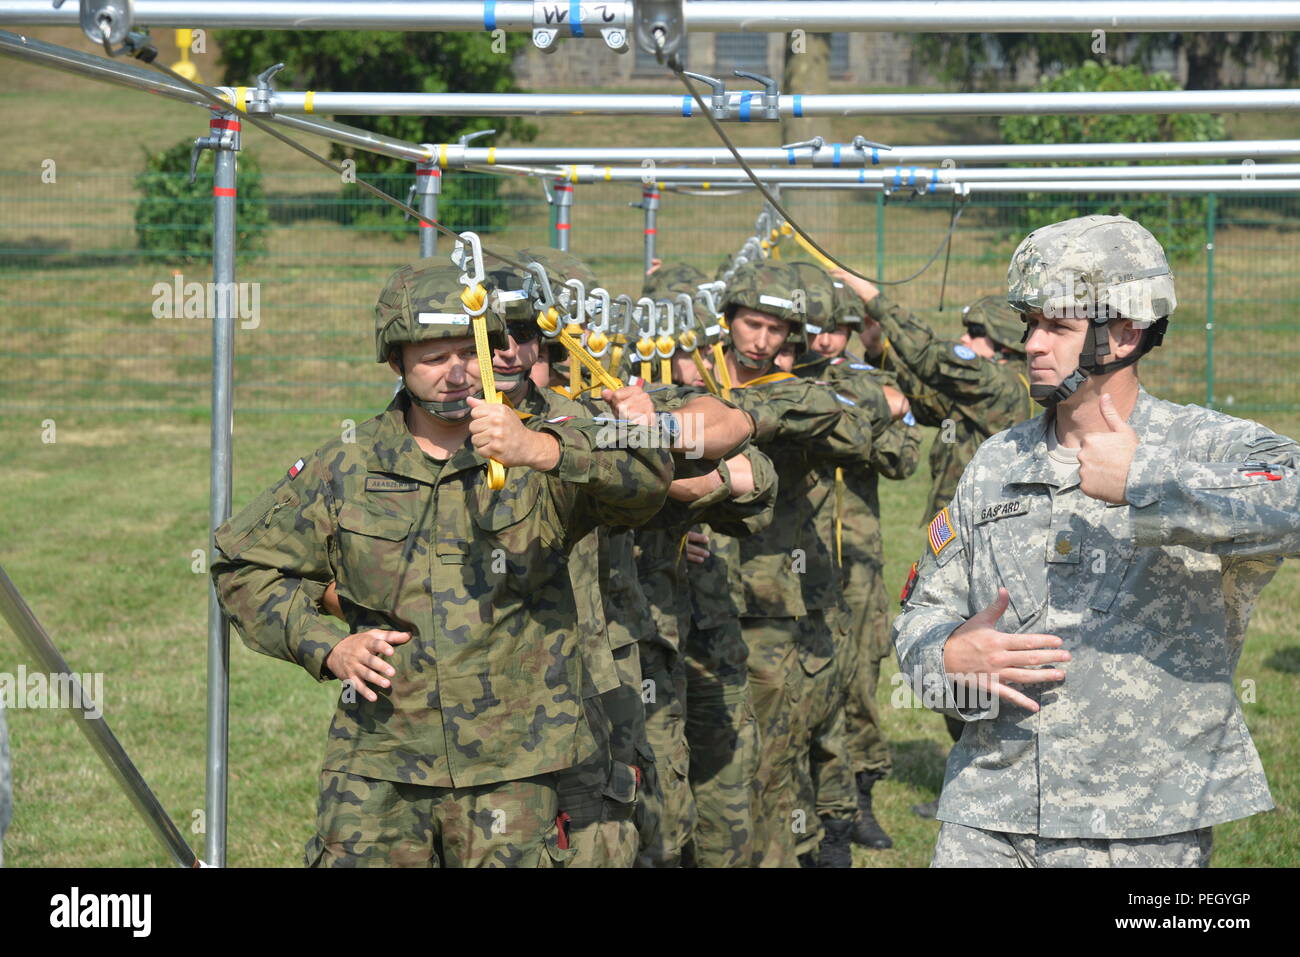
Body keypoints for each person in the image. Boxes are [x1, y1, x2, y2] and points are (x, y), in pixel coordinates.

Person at [211, 261, 673, 867]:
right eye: (434, 357)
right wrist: (326, 646)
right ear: (395, 361)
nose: (457, 373)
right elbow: (241, 565)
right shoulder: (349, 463)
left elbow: (647, 479)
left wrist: (536, 449)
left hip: (513, 763)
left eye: (468, 351)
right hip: (379, 756)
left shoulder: (545, 437)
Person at [893, 214, 1300, 868]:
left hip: (1142, 829)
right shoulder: (997, 462)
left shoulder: (1203, 445)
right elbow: (920, 611)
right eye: (1030, 322)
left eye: (1056, 325)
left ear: (1123, 334)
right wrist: (946, 656)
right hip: (988, 815)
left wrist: (1149, 481)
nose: (1031, 343)